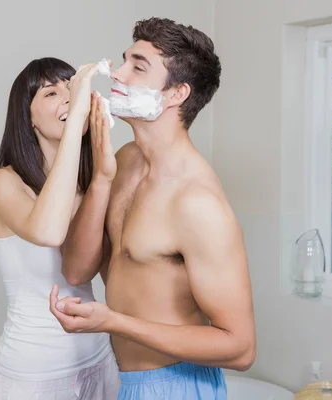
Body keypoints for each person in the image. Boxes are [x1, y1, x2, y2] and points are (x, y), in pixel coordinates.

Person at [50, 18, 256, 400]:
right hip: (121, 379)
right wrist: (100, 179)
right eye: (124, 59)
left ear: (176, 94)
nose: (117, 72)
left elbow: (241, 349)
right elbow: (76, 269)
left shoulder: (197, 203)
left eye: (138, 66)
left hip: (175, 386)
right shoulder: (124, 160)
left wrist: (113, 322)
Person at [0, 57, 120, 399]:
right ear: (27, 118)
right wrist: (75, 120)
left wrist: (102, 180)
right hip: (33, 374)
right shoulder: (3, 182)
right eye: (51, 92)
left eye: (71, 87)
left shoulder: (93, 183)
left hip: (100, 360)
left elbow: (84, 273)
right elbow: (49, 232)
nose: (70, 96)